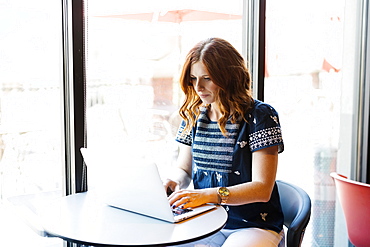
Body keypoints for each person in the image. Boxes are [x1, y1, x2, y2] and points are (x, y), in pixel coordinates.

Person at [163, 37, 285, 247]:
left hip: (252, 224)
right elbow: (184, 168)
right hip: (203, 219)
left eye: (207, 78)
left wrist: (208, 195)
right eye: (193, 78)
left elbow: (262, 189)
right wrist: (172, 183)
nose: (198, 87)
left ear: (229, 76)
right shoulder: (193, 115)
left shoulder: (260, 115)